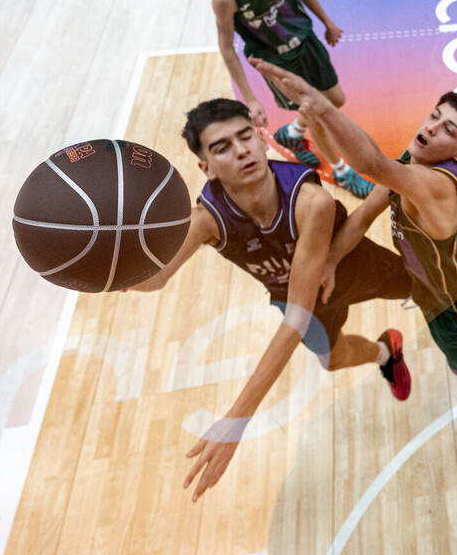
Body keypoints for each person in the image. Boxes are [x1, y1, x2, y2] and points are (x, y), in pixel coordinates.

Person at [128, 98, 414, 501]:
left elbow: (296, 319)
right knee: (333, 360)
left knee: (437, 291)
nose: (241, 150)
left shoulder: (310, 201)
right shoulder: (207, 219)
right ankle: (387, 352)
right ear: (206, 168)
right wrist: (105, 273)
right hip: (295, 295)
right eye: (222, 147)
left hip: (353, 267)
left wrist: (236, 419)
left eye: (246, 137)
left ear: (263, 141)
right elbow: (156, 276)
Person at [253, 58, 457, 417]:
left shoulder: (433, 185)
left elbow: (371, 163)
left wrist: (323, 108)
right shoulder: (415, 161)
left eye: (448, 130)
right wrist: (330, 261)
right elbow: (363, 214)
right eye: (434, 116)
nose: (431, 127)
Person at [211, 0, 374, 198]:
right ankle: (342, 172)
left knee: (336, 100)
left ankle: (292, 133)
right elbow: (226, 47)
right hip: (275, 61)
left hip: (306, 42)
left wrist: (328, 23)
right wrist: (250, 99)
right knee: (315, 113)